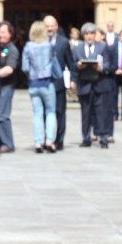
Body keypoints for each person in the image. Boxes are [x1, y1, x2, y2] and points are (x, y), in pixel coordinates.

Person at [73, 22, 114, 148]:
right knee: (85, 114)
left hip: (99, 84)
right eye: (86, 34)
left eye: (92, 33)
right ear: (83, 35)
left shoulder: (102, 47)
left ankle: (103, 138)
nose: (89, 36)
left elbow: (108, 64)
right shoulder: (77, 48)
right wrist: (78, 66)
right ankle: (86, 138)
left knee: (101, 113)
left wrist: (100, 67)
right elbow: (73, 64)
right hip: (84, 84)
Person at [22, 20, 57, 153]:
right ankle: (49, 140)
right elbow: (54, 62)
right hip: (47, 82)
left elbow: (24, 67)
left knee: (37, 113)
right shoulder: (49, 45)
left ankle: (38, 142)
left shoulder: (28, 46)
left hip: (33, 83)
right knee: (50, 112)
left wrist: (31, 74)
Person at [44, 15, 74, 150]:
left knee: (60, 113)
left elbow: (70, 63)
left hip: (59, 84)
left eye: (51, 25)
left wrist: (73, 79)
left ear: (56, 27)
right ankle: (47, 140)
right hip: (43, 84)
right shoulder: (39, 41)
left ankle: (59, 140)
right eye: (47, 26)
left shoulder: (63, 42)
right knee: (44, 113)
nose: (49, 28)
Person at [0, 20, 20, 153]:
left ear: (10, 34)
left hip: (6, 86)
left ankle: (8, 144)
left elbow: (9, 69)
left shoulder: (12, 49)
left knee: (2, 115)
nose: (1, 35)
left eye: (4, 32)